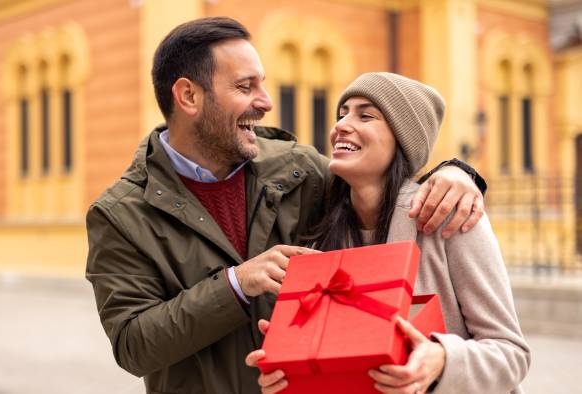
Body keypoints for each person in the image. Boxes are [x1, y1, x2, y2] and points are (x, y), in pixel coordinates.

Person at [86, 18, 486, 394]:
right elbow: (133, 345)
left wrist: (457, 171)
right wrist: (236, 285)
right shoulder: (120, 215)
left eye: (262, 84)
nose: (266, 102)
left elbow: (377, 175)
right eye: (245, 87)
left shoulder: (299, 168)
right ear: (188, 96)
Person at [246, 73, 530, 394]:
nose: (341, 125)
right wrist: (292, 370)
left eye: (365, 115)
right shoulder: (318, 236)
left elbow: (512, 354)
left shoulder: (451, 217)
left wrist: (442, 360)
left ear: (402, 140)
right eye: (342, 114)